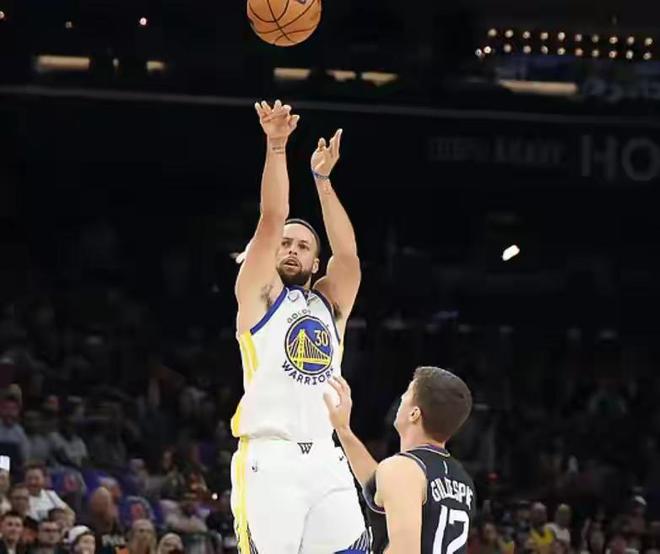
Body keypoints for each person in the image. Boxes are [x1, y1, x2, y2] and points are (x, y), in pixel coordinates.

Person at [230, 100, 367, 553]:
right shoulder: (260, 294)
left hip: (325, 455)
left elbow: (348, 256)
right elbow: (271, 219)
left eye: (303, 246)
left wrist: (323, 182)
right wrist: (276, 146)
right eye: (286, 244)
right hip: (270, 457)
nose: (291, 249)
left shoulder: (329, 305)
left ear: (315, 262)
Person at [324, 368, 475, 554]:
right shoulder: (461, 479)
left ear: (414, 414)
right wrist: (343, 429)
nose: (401, 399)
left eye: (406, 394)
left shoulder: (402, 469)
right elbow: (382, 489)